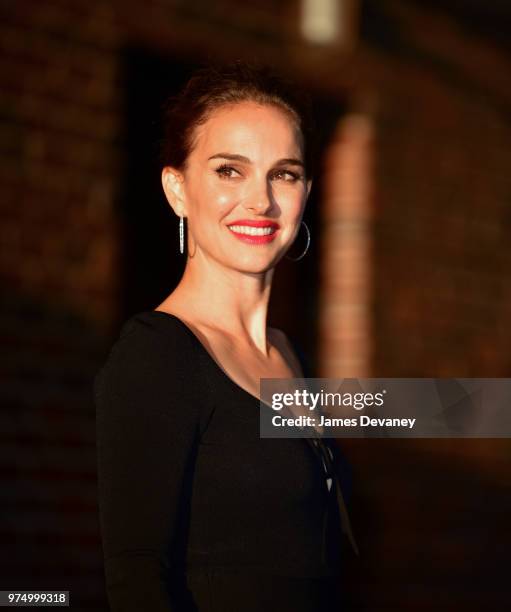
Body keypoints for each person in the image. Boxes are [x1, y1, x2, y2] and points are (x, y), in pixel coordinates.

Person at [94, 61, 357, 612]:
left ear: (306, 191)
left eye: (283, 173)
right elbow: (138, 581)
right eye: (229, 171)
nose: (260, 201)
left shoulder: (287, 354)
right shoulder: (157, 356)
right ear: (177, 189)